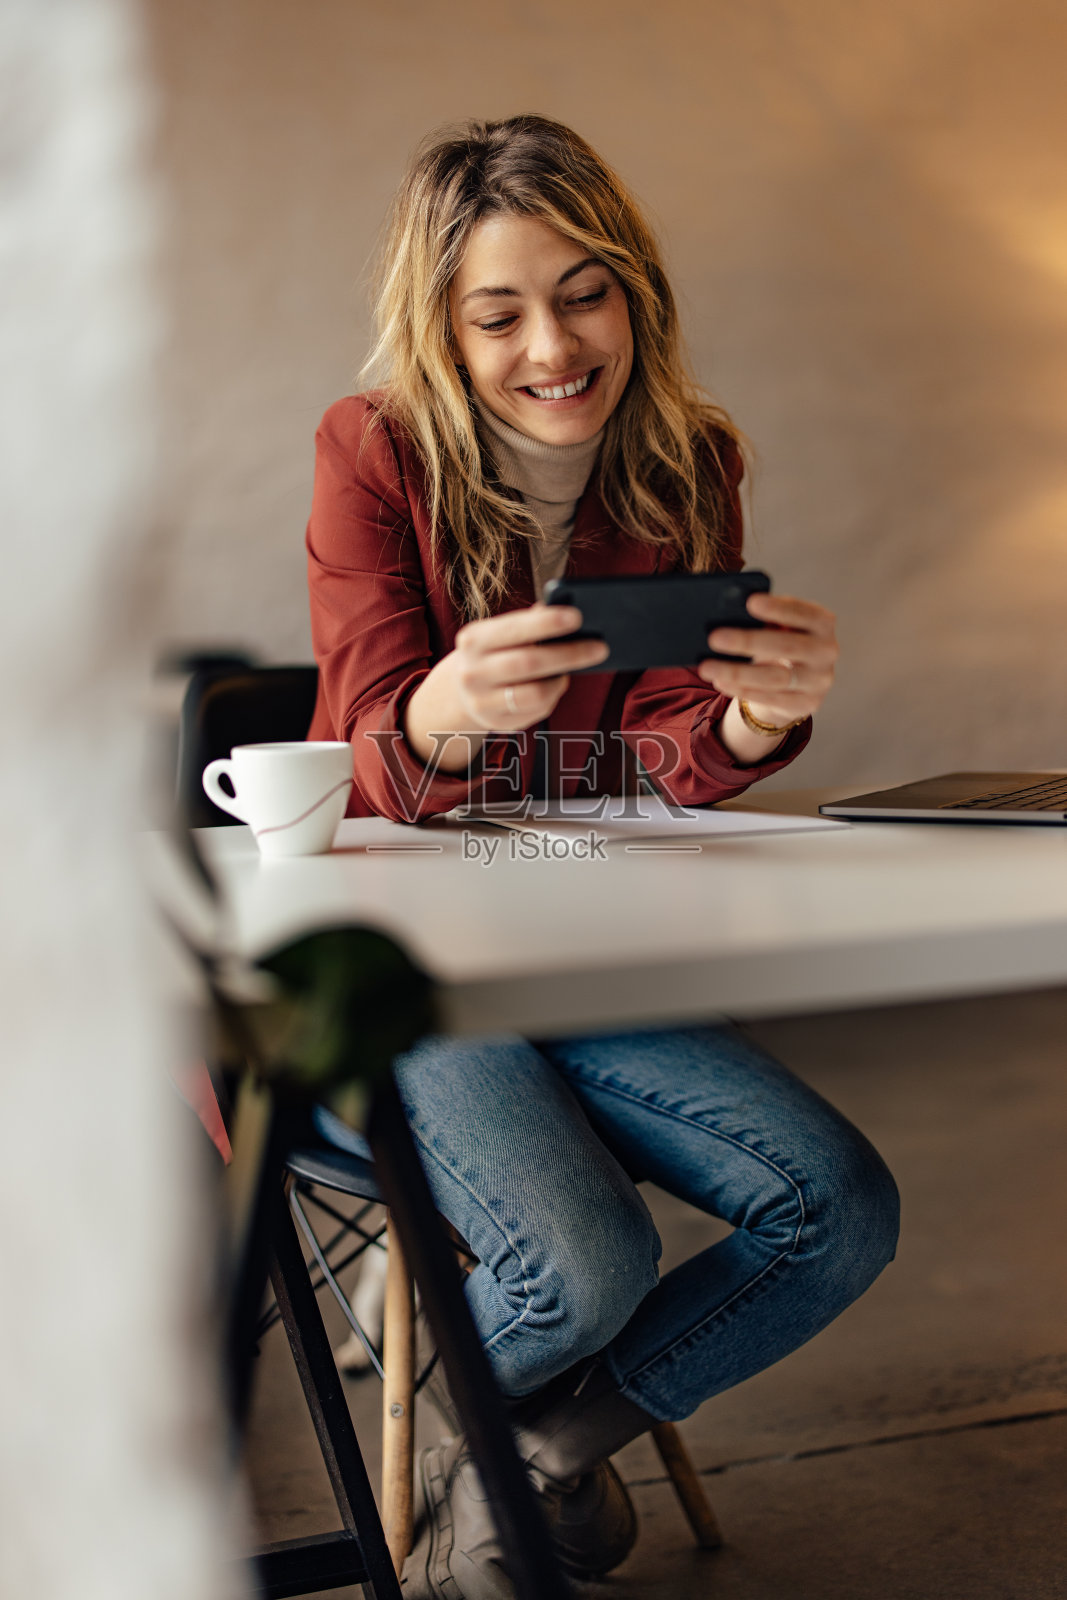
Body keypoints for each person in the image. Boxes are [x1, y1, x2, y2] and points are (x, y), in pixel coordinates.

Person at [306, 114, 899, 1600]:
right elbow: (366, 751)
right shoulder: (372, 452)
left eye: (585, 293)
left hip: (575, 940)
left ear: (635, 289)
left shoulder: (690, 458)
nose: (554, 346)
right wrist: (445, 713)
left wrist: (756, 718)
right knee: (583, 1265)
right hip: (397, 964)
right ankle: (530, 1381)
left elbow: (660, 753)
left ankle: (531, 1442)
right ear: (442, 330)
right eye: (498, 313)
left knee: (841, 1207)